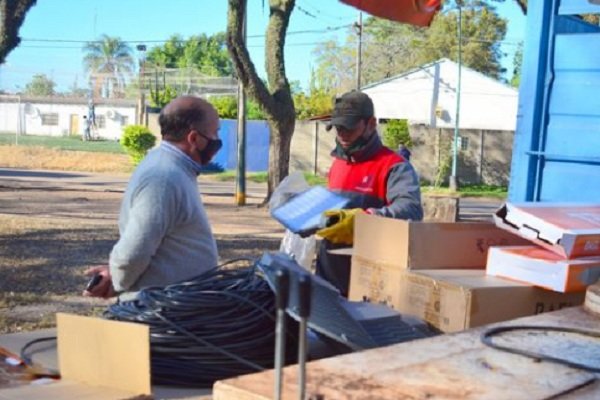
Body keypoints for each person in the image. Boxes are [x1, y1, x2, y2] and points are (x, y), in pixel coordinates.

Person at [83, 96, 222, 300]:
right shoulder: (163, 178)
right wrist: (118, 280)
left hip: (180, 308)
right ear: (193, 139)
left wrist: (115, 272)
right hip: (163, 314)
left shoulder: (172, 168)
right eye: (215, 133)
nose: (218, 140)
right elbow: (134, 251)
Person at [315, 91, 423, 297]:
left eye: (350, 127)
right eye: (338, 128)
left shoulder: (395, 167)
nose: (343, 134)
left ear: (371, 124)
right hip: (329, 274)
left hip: (370, 282)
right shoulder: (339, 163)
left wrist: (365, 219)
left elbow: (411, 210)